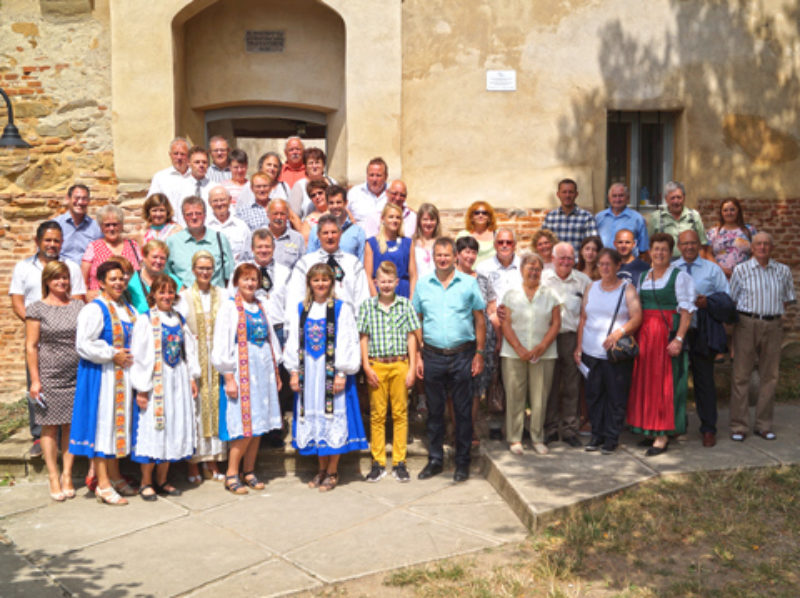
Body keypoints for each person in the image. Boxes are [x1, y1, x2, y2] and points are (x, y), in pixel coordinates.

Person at [285, 263, 368, 492]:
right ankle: (320, 469)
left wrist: (342, 372)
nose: (320, 284)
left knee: (331, 417)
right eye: (316, 280)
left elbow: (348, 340)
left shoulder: (341, 309)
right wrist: (293, 371)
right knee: (315, 418)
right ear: (309, 283)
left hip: (331, 372)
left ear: (331, 282)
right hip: (309, 373)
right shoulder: (301, 308)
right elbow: (293, 340)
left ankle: (332, 470)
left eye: (325, 279)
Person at [413, 237, 486, 482]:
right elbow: (417, 321)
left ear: (455, 256)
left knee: (463, 412)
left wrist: (479, 353)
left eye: (447, 254)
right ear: (433, 257)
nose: (443, 259)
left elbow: (479, 319)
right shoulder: (423, 285)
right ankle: (435, 460)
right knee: (434, 412)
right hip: (432, 355)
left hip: (462, 355)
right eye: (438, 255)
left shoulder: (468, 283)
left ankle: (462, 462)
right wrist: (418, 355)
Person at [69, 261, 138, 506]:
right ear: (101, 282)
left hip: (123, 377)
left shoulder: (128, 309)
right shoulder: (94, 309)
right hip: (103, 376)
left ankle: (116, 475)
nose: (119, 283)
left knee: (117, 427)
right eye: (113, 279)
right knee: (103, 426)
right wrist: (111, 354)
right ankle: (103, 483)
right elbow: (83, 343)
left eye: (121, 278)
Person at [212, 263, 283, 494]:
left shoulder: (261, 306)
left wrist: (275, 371)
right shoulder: (230, 308)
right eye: (245, 279)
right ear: (236, 282)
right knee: (244, 425)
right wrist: (228, 376)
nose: (250, 284)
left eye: (254, 279)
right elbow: (222, 343)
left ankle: (249, 470)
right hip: (242, 372)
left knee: (259, 423)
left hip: (263, 371)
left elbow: (272, 340)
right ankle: (232, 472)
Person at [130, 274, 200, 500]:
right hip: (156, 381)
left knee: (172, 425)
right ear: (153, 295)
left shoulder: (178, 319)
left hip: (176, 378)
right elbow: (139, 355)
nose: (167, 296)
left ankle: (163, 479)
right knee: (154, 426)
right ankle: (146, 481)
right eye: (162, 292)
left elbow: (188, 350)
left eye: (170, 292)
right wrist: (142, 388)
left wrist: (191, 377)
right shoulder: (146, 319)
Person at [627, 232, 696, 456]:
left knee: (664, 385)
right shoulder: (644, 277)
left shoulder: (679, 276)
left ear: (670, 252)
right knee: (646, 383)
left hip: (665, 335)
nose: (659, 253)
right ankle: (650, 429)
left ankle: (663, 435)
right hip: (645, 336)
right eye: (656, 249)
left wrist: (678, 338)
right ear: (650, 252)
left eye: (664, 249)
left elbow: (686, 312)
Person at [729, 232, 796, 441]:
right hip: (746, 323)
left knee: (770, 376)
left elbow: (786, 299)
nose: (763, 247)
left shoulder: (783, 271)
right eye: (759, 243)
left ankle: (764, 424)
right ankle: (739, 426)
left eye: (767, 244)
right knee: (741, 375)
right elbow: (732, 300)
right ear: (752, 247)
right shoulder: (740, 270)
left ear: (772, 247)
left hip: (773, 324)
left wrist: (770, 312)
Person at [25, 261, 83, 500]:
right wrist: (35, 380)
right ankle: (52, 475)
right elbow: (31, 345)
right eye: (56, 278)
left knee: (70, 425)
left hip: (76, 371)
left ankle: (67, 474)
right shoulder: (37, 308)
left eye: (65, 278)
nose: (61, 282)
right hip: (49, 373)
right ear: (47, 281)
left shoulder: (78, 306)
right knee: (49, 427)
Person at [575, 248, 642, 454]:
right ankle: (597, 435)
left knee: (615, 397)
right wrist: (579, 347)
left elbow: (637, 317)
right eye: (601, 264)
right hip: (591, 352)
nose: (604, 268)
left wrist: (618, 333)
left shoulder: (627, 289)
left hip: (614, 355)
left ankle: (611, 438)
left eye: (608, 264)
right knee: (594, 396)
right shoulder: (591, 287)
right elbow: (584, 318)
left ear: (617, 266)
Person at [358, 261, 421, 483]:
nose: (386, 285)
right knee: (377, 415)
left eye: (389, 281)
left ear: (396, 282)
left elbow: (412, 337)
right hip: (377, 364)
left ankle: (399, 462)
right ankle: (377, 462)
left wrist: (412, 367)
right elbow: (363, 338)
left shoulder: (405, 305)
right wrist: (366, 366)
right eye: (382, 281)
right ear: (376, 283)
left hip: (399, 363)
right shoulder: (367, 306)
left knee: (400, 413)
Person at [500, 253, 561, 455]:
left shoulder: (550, 294)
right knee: (515, 396)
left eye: (537, 269)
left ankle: (537, 437)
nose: (533, 272)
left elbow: (556, 324)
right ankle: (515, 438)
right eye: (530, 268)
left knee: (539, 397)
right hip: (513, 353)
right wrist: (519, 348)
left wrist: (541, 347)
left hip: (543, 354)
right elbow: (505, 323)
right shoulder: (511, 294)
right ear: (522, 270)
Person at [674, 230, 730, 447]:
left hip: (702, 332)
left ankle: (708, 428)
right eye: (685, 243)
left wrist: (709, 302)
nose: (689, 247)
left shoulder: (711, 269)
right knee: (677, 381)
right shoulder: (672, 270)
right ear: (679, 246)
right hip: (678, 333)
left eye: (693, 243)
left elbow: (726, 298)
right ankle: (677, 426)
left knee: (704, 381)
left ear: (699, 245)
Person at [176, 251, 228, 482]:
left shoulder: (223, 295)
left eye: (208, 268)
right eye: (200, 268)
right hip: (195, 357)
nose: (205, 272)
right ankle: (193, 464)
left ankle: (213, 460)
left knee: (216, 407)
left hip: (216, 357)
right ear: (193, 269)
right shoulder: (184, 296)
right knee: (195, 410)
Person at [541, 242, 591, 447]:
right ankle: (550, 429)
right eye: (561, 257)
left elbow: (585, 316)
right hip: (547, 337)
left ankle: (570, 429)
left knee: (571, 385)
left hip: (571, 337)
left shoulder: (583, 281)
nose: (565, 261)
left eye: (569, 258)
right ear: (552, 259)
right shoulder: (543, 278)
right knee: (549, 385)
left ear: (575, 260)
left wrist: (580, 346)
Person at [285, 214, 370, 314]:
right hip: (314, 323)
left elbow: (362, 298)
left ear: (340, 233)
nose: (330, 236)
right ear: (318, 235)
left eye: (334, 232)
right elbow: (295, 298)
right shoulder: (305, 264)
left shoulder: (353, 264)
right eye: (325, 233)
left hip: (347, 324)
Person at [457, 236, 493, 446]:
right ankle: (455, 430)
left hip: (480, 341)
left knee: (475, 390)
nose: (469, 256)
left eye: (473, 252)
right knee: (455, 389)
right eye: (465, 251)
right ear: (458, 254)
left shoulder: (482, 279)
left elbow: (491, 308)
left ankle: (469, 431)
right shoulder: (449, 277)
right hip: (458, 339)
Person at [166, 196, 234, 288]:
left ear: (205, 215)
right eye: (189, 214)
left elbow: (229, 274)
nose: (194, 217)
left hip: (215, 298)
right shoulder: (172, 242)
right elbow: (167, 274)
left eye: (198, 213)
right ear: (183, 217)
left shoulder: (220, 239)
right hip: (185, 299)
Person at [81, 205, 142, 299]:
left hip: (131, 300)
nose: (111, 228)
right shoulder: (93, 247)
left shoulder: (133, 245)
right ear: (101, 227)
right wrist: (87, 294)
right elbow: (83, 281)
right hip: (102, 300)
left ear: (121, 225)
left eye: (115, 224)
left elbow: (141, 275)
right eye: (107, 225)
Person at [364, 203, 415, 298]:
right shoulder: (372, 243)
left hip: (403, 292)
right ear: (383, 219)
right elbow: (367, 276)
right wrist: (375, 298)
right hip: (381, 292)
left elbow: (413, 275)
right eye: (391, 217)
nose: (395, 220)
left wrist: (412, 298)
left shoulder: (408, 243)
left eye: (398, 217)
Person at [648, 181, 707, 259]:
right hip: (665, 262)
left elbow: (702, 245)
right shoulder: (656, 217)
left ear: (684, 197)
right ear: (666, 199)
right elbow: (648, 246)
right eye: (672, 198)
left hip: (690, 262)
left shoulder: (694, 216)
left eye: (679, 197)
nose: (676, 201)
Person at [306, 185, 366, 259]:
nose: (335, 206)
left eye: (338, 202)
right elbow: (310, 259)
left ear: (346, 203)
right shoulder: (316, 230)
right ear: (327, 204)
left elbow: (361, 261)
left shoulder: (358, 232)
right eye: (331, 203)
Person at [542, 179, 598, 254]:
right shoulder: (550, 218)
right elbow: (543, 243)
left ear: (576, 194)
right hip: (555, 263)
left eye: (571, 192)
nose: (567, 195)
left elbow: (593, 245)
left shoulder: (587, 217)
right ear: (558, 194)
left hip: (578, 264)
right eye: (564, 192)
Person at [127, 240, 183, 314]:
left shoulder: (173, 281)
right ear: (144, 257)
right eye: (155, 257)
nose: (158, 261)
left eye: (162, 258)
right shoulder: (131, 280)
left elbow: (182, 307)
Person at [706, 198, 757, 278]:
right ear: (721, 213)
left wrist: (745, 269)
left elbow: (756, 252)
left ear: (738, 211)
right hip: (719, 276)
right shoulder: (713, 232)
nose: (729, 213)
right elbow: (707, 254)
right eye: (725, 210)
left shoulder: (749, 230)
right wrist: (721, 269)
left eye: (732, 210)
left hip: (744, 276)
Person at [595, 183, 649, 256]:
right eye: (614, 196)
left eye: (621, 196)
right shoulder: (599, 217)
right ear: (609, 198)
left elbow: (643, 249)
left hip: (628, 265)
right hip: (604, 264)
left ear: (627, 198)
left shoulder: (637, 219)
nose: (617, 199)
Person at [54, 184, 102, 264]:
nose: (80, 202)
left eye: (84, 199)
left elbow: (100, 255)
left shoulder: (96, 228)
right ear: (68, 199)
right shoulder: (55, 225)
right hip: (60, 273)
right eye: (76, 198)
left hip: (86, 274)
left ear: (88, 201)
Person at [147, 137, 191, 223]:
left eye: (182, 154)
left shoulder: (195, 176)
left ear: (189, 155)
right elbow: (151, 204)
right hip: (168, 228)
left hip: (193, 228)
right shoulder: (160, 177)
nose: (179, 157)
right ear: (170, 155)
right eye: (175, 154)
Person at [206, 185, 251, 263]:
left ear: (230, 200)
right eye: (215, 201)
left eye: (222, 200)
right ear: (209, 202)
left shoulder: (241, 226)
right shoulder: (204, 226)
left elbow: (248, 254)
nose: (219, 204)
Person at [288, 147, 336, 218]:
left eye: (317, 162)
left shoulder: (333, 182)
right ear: (306, 167)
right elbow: (294, 216)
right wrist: (304, 228)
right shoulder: (299, 186)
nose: (314, 166)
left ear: (323, 165)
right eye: (311, 163)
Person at [410, 203, 441, 296]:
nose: (428, 223)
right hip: (419, 290)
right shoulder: (412, 243)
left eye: (432, 219)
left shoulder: (442, 242)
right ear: (419, 221)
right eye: (425, 219)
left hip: (438, 290)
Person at [348, 157, 388, 226]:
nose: (374, 179)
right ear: (367, 175)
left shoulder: (393, 193)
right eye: (371, 175)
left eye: (378, 175)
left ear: (386, 177)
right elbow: (343, 212)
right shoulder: (354, 193)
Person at [267, 199, 306, 269]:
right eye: (275, 214)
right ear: (268, 215)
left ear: (288, 216)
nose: (278, 217)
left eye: (282, 214)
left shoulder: (297, 238)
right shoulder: (258, 236)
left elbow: (302, 266)